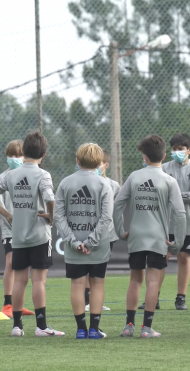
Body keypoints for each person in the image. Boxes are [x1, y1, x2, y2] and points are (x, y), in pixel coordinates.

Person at [0, 130, 65, 337]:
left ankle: (17, 326)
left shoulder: (11, 175)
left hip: (18, 236)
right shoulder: (42, 174)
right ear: (44, 154)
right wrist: (50, 216)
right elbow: (50, 197)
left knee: (20, 280)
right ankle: (41, 326)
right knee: (38, 281)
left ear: (25, 151)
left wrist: (7, 214)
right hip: (39, 234)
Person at [113, 135, 186, 338]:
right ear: (163, 156)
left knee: (135, 280)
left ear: (144, 157)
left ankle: (128, 326)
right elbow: (181, 214)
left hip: (136, 236)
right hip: (158, 239)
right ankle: (147, 328)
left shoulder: (134, 177)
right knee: (154, 282)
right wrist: (177, 243)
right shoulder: (169, 180)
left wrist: (120, 231)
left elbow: (117, 204)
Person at [54, 143, 113, 340]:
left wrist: (74, 241)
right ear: (99, 163)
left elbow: (59, 217)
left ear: (77, 161)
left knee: (77, 285)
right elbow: (106, 218)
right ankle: (94, 329)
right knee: (97, 284)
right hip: (98, 246)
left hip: (74, 247)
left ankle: (81, 329)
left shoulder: (65, 183)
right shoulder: (104, 184)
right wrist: (91, 241)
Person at [160, 133, 190, 310]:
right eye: (174, 149)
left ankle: (181, 297)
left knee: (184, 258)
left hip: (187, 222)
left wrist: (174, 195)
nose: (177, 152)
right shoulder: (163, 168)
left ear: (189, 150)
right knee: (160, 258)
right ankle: (153, 297)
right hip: (166, 222)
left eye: (180, 149)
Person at [0, 140, 35, 318]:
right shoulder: (3, 177)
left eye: (17, 155)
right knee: (10, 264)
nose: (13, 159)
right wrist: (8, 217)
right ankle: (7, 303)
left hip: (27, 228)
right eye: (10, 155)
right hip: (10, 229)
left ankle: (18, 304)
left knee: (23, 266)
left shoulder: (29, 176)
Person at [84, 150, 118, 313]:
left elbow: (117, 208)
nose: (97, 167)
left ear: (106, 165)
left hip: (107, 234)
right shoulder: (85, 182)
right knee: (85, 267)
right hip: (87, 232)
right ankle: (86, 299)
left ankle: (95, 300)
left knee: (100, 270)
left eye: (100, 164)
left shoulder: (113, 185)